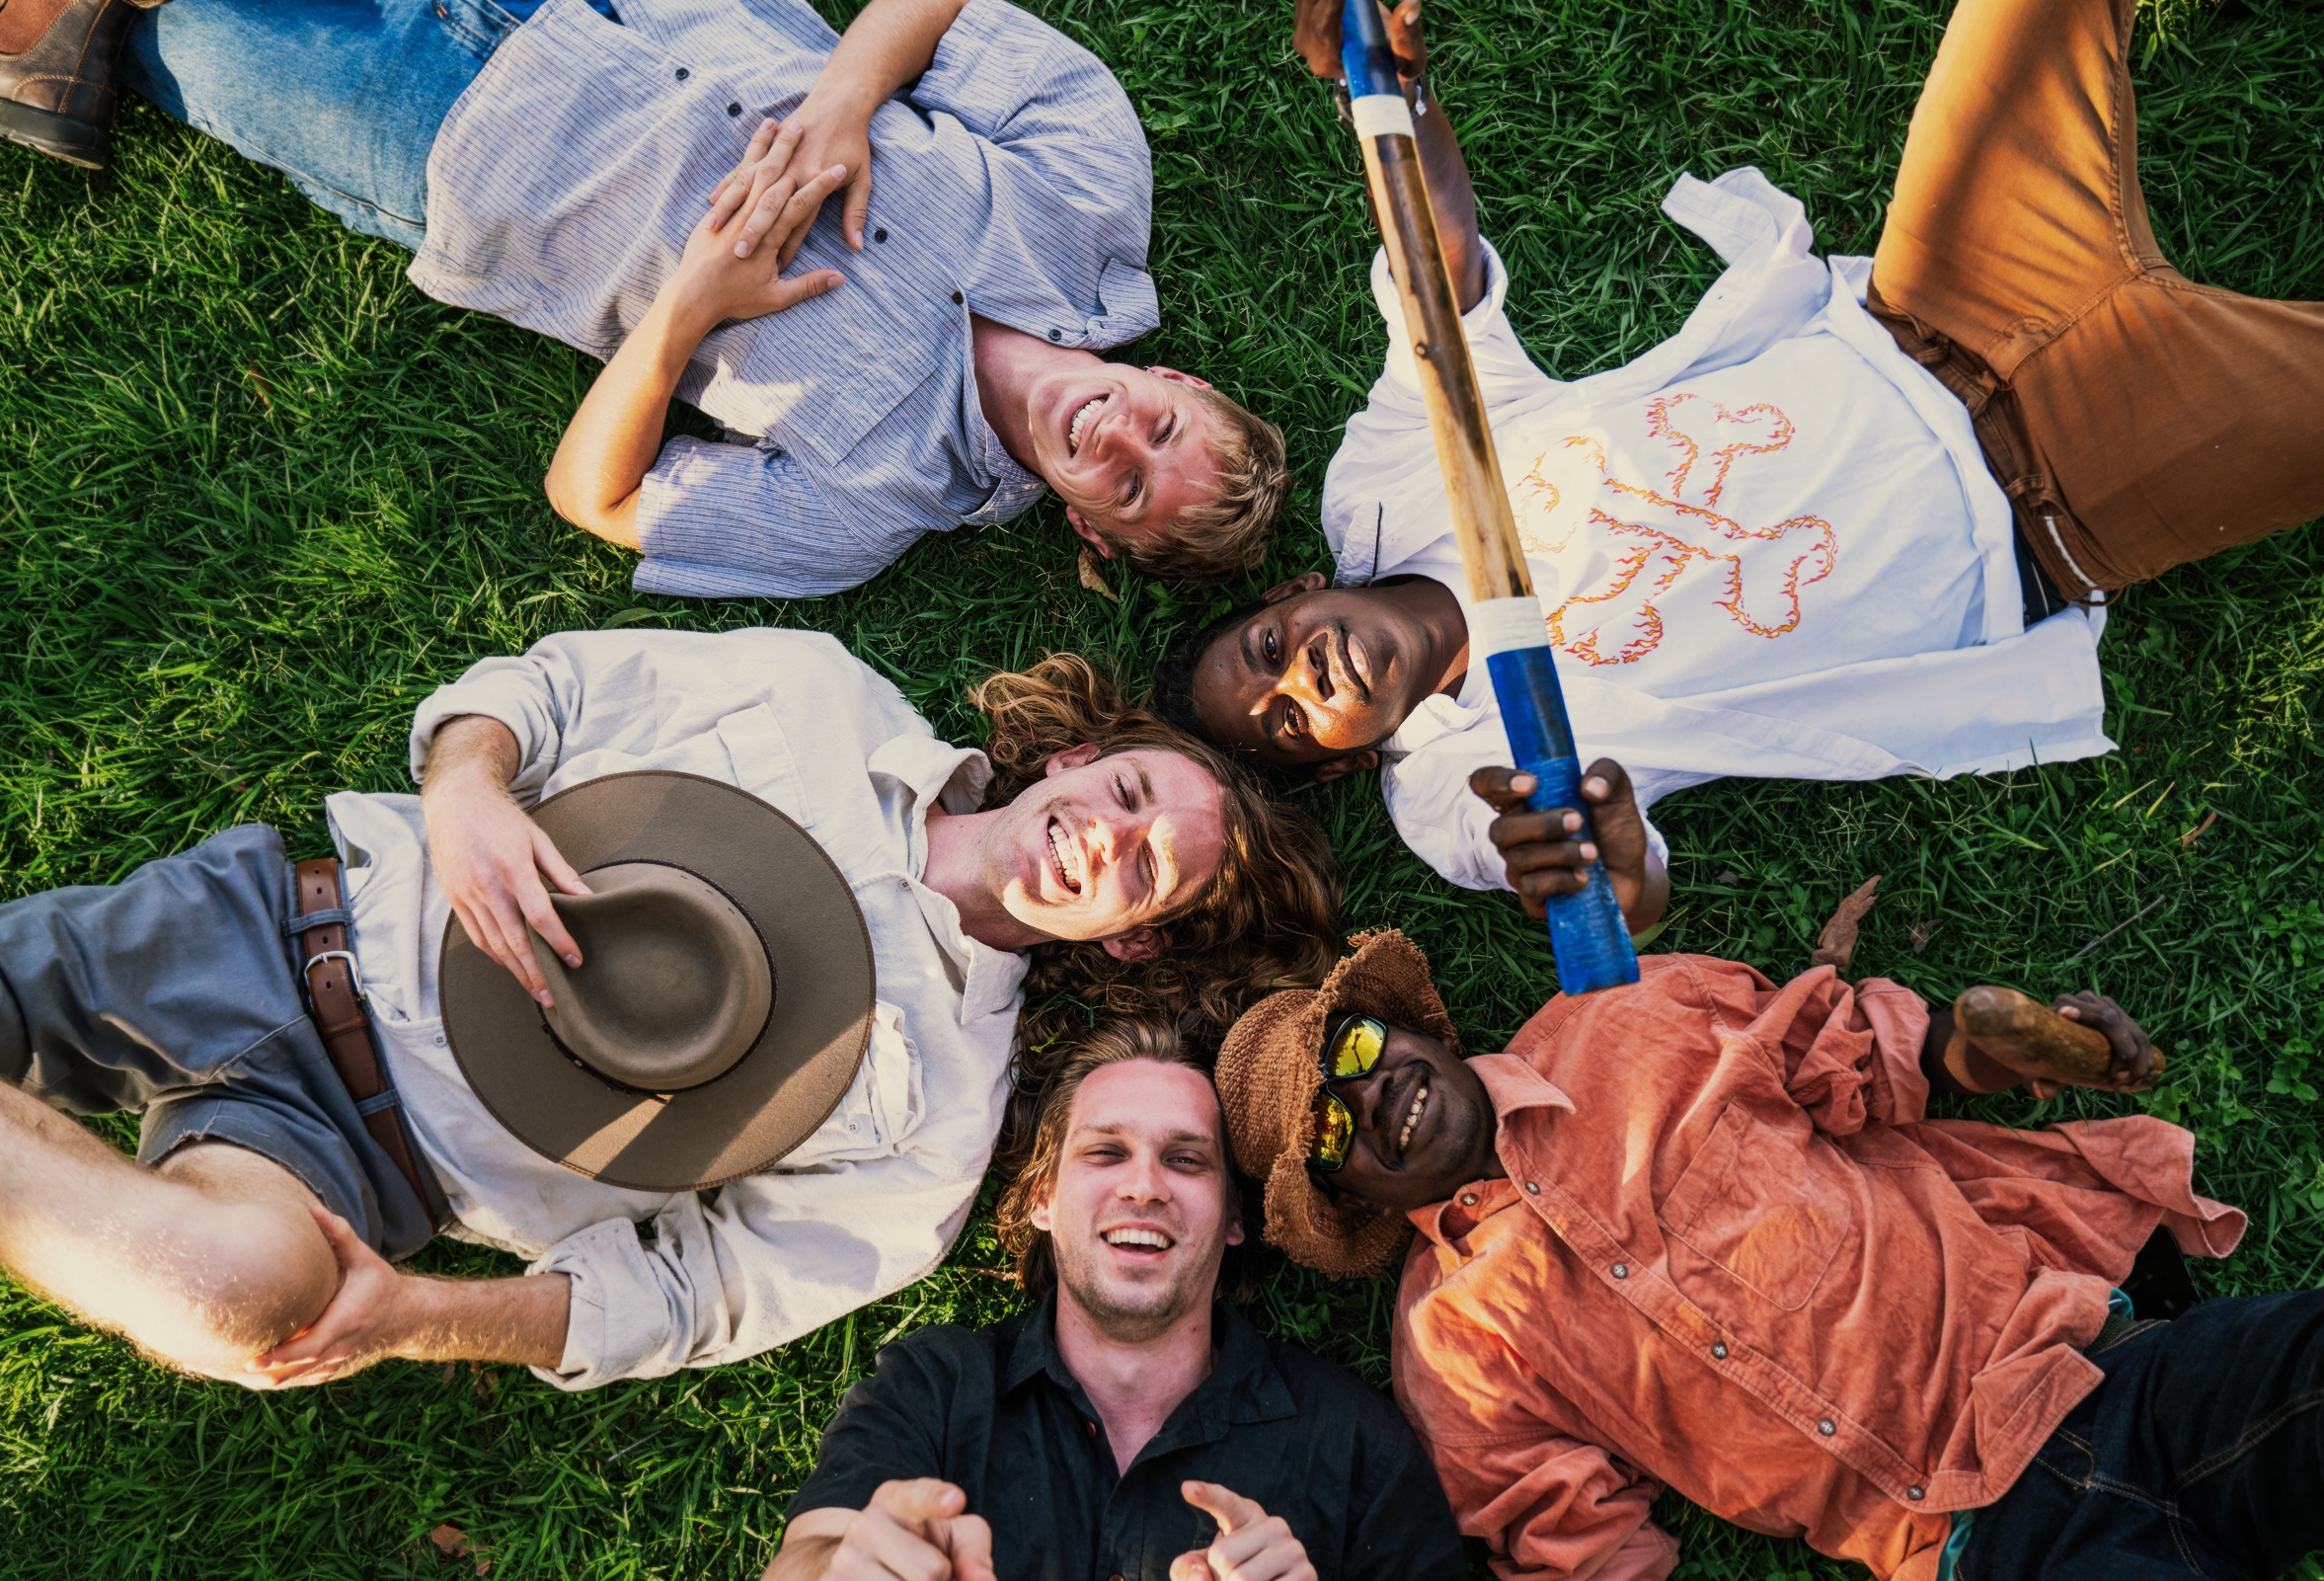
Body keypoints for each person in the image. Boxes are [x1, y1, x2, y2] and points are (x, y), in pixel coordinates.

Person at [1158, 0, 2324, 915]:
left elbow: (1438, 280)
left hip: (1938, 297)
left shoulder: (1383, 490)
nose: (1303, 677)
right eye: (1288, 722)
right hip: (2068, 494)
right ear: (1340, 769)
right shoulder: (1456, 772)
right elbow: (1599, 878)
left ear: (1293, 592)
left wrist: (1396, 98)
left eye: (1268, 649)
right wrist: (1599, 857)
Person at [0, 631, 1343, 1393]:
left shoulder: (939, 1133)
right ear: (1078, 758)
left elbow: (694, 1295)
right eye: (1128, 794)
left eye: (1148, 869)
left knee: (237, 1303)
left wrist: (411, 1315)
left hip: (346, 1167)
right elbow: (546, 690)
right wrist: (467, 787)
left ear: (1132, 939)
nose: (1107, 836)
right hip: (271, 927)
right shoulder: (826, 698)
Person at [1207, 788, 2324, 1581]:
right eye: (1328, 1128)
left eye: (1355, 1050)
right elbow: (1579, 1548)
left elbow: (1862, 1057)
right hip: (1983, 1544)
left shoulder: (1626, 1020)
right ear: (1344, 1194)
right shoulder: (1453, 1352)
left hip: (2097, 1363)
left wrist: (1997, 1051)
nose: (1369, 1095)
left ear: (1403, 1025)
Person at [0, 0, 1289, 594]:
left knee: (177, 27)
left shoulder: (873, 507)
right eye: (1160, 429)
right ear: (1173, 382)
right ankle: (28, 51)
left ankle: (29, 40)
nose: (1114, 437)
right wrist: (845, 98)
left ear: (1089, 528)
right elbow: (939, 9)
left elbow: (592, 499)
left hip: (450, 140)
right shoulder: (1090, 199)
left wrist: (689, 308)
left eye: (1124, 487)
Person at [767, 1018, 1466, 1581]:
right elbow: (810, 1550)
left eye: (1186, 1159)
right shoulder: (936, 1389)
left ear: (1234, 1217)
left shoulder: (1354, 1442)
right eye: (1105, 1152)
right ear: (1043, 1198)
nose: (1144, 1186)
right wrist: (841, 1568)